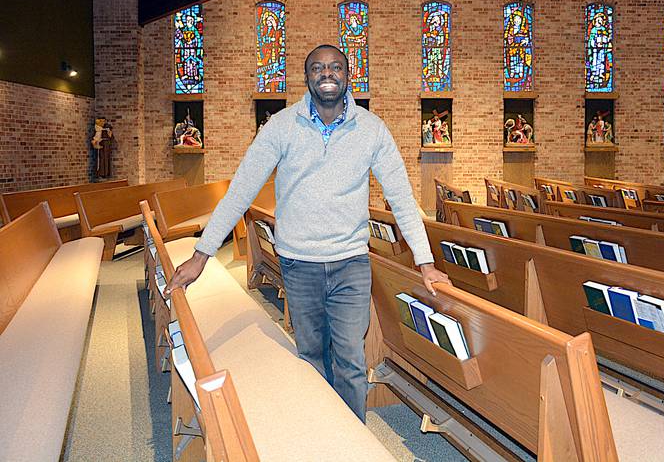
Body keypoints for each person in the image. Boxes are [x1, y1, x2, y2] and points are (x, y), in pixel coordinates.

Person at [166, 44, 451, 422]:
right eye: (318, 68)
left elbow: (401, 197)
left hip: (350, 263)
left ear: (349, 76)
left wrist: (426, 262)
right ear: (307, 77)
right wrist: (202, 255)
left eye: (335, 67)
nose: (327, 73)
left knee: (350, 358)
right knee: (311, 357)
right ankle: (321, 434)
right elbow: (241, 190)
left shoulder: (372, 130)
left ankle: (351, 444)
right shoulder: (281, 127)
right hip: (299, 264)